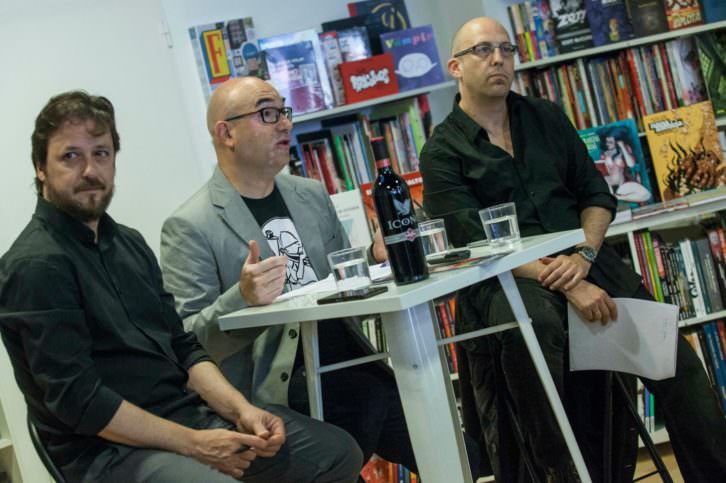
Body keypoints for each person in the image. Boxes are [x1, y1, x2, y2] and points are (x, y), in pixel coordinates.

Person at [419, 16, 726, 483]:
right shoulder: (442, 151)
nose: (499, 58)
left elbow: (597, 196)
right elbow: (470, 243)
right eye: (483, 50)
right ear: (455, 67)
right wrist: (566, 283)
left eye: (506, 48)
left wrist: (583, 258)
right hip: (513, 279)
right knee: (538, 331)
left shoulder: (546, 117)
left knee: (679, 369)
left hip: (586, 259)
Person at [0, 90, 363, 483]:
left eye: (101, 153)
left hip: (186, 417)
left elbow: (182, 347)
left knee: (336, 454)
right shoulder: (35, 266)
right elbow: (82, 403)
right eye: (70, 156)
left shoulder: (128, 243)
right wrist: (196, 444)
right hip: (109, 453)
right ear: (40, 167)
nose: (90, 169)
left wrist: (242, 411)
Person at [160, 76, 475, 478]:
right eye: (267, 114)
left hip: (352, 357)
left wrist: (375, 259)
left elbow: (341, 278)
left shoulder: (309, 193)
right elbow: (188, 342)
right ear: (226, 133)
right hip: (284, 385)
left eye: (284, 112)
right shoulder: (190, 225)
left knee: (461, 450)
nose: (285, 124)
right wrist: (242, 296)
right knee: (357, 427)